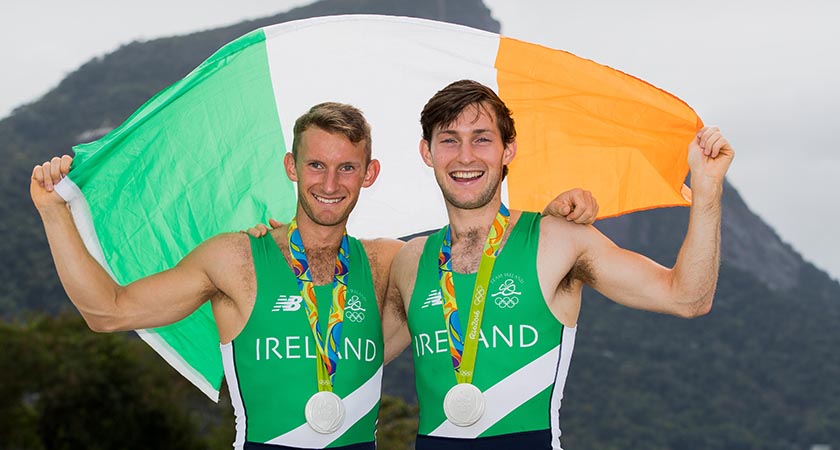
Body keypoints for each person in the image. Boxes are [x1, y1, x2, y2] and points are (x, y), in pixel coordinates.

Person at [30, 102, 598, 450]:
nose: (330, 182)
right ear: (291, 168)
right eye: (316, 165)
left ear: (369, 174)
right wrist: (55, 212)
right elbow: (108, 310)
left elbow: (475, 261)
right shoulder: (237, 259)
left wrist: (551, 217)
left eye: (347, 166)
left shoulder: (388, 263)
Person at [385, 80, 734, 450]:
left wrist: (707, 187)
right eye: (449, 139)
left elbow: (687, 298)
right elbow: (352, 365)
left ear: (508, 151)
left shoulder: (558, 240)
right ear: (428, 152)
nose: (465, 156)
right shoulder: (412, 261)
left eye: (482, 138)